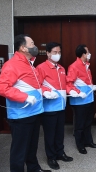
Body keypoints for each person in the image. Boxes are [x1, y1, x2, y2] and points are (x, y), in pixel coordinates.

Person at [0, 34, 51, 172]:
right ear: (23, 48)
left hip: (34, 112)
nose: (35, 46)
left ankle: (34, 168)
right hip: (20, 115)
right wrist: (24, 97)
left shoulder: (30, 65)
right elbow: (2, 88)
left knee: (32, 146)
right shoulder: (11, 65)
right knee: (19, 150)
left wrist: (45, 91)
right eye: (32, 44)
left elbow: (36, 85)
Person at [36, 42, 73, 170]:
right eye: (55, 52)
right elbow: (37, 85)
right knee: (50, 134)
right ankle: (51, 157)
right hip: (49, 108)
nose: (57, 55)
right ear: (47, 53)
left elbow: (67, 84)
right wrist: (45, 91)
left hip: (61, 106)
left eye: (59, 52)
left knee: (59, 132)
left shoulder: (62, 69)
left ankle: (60, 153)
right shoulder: (41, 68)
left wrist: (74, 91)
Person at [66, 44, 96, 154]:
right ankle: (80, 145)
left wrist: (92, 86)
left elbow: (85, 82)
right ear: (83, 54)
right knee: (79, 124)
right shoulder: (74, 66)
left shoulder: (86, 66)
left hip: (89, 99)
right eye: (88, 52)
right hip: (79, 102)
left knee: (88, 122)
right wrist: (79, 93)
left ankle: (88, 141)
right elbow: (69, 84)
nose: (89, 53)